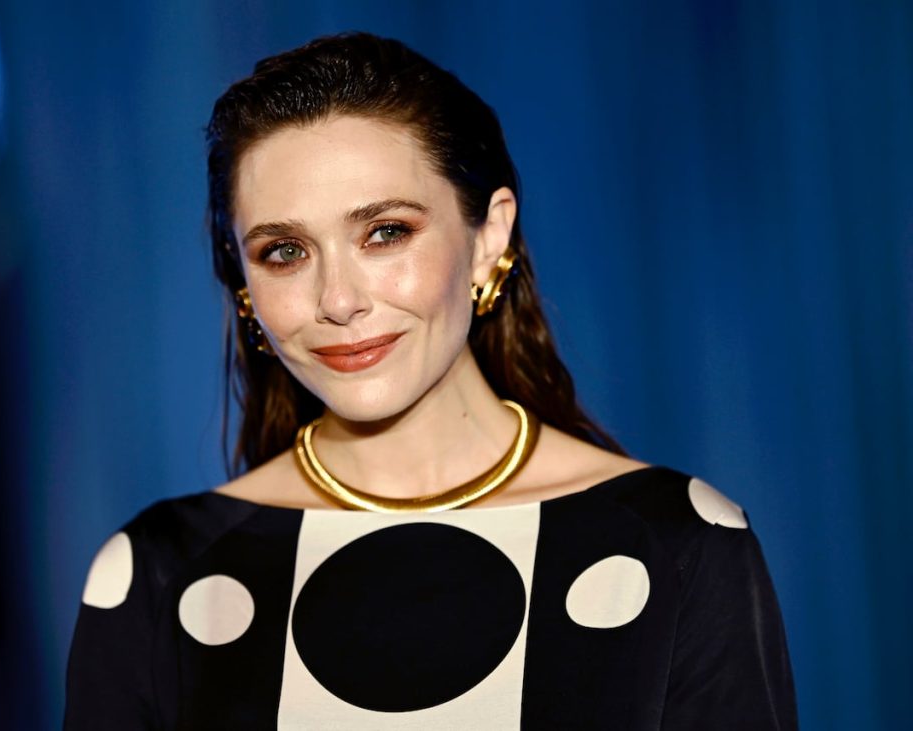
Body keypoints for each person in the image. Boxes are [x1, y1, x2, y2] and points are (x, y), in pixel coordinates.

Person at [64, 32, 797, 729]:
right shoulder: (157, 576)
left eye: (385, 232)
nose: (338, 300)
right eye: (285, 251)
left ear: (488, 237)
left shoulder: (680, 546)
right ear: (244, 285)